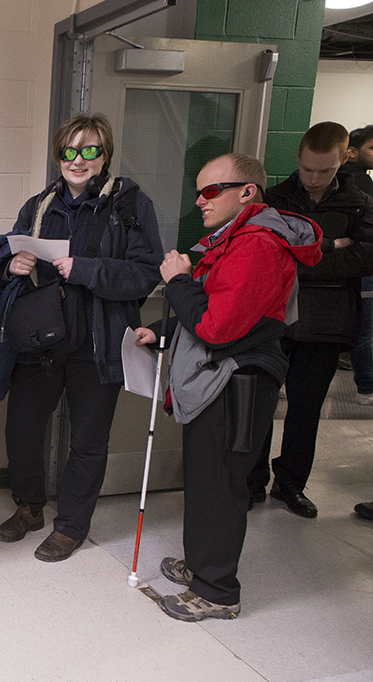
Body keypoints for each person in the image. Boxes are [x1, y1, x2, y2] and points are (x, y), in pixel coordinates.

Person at [135, 153, 321, 622]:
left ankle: (217, 591)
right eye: (199, 190)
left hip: (237, 379)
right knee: (204, 479)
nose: (200, 200)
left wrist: (177, 281)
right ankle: (201, 567)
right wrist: (166, 331)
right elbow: (219, 309)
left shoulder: (257, 244)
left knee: (220, 486)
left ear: (247, 192)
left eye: (211, 191)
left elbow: (218, 327)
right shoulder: (234, 239)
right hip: (222, 375)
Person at [0, 113, 162, 562]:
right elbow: (2, 253)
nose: (78, 160)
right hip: (41, 339)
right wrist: (12, 264)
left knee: (88, 440)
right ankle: (29, 507)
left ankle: (72, 526)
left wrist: (87, 269)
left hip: (97, 345)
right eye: (69, 151)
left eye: (90, 150)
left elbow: (146, 274)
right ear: (58, 155)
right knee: (22, 430)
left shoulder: (131, 205)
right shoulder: (39, 205)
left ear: (105, 155)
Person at [246, 122, 373, 518]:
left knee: (305, 410)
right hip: (274, 319)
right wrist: (331, 247)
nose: (314, 179)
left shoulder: (361, 203)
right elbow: (266, 253)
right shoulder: (276, 198)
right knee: (259, 407)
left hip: (326, 324)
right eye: (308, 169)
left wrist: (300, 257)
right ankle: (250, 483)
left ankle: (290, 484)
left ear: (344, 160)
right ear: (298, 159)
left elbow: (365, 258)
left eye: (325, 171)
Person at [342, 126, 373, 403]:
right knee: (365, 328)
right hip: (361, 267)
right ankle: (366, 388)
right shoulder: (360, 183)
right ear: (351, 152)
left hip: (337, 266)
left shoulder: (339, 180)